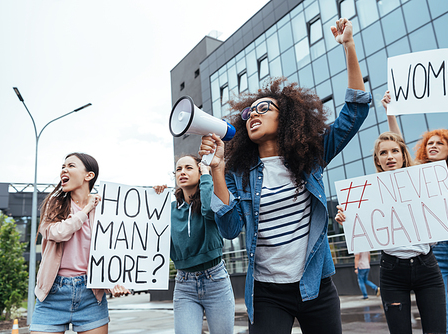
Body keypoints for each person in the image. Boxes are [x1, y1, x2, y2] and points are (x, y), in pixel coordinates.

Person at [200, 18, 371, 334]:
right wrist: (218, 171)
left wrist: (349, 46)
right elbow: (229, 227)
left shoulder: (310, 157)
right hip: (267, 293)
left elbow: (356, 112)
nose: (254, 114)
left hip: (316, 284)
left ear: (288, 118)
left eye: (264, 109)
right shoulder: (239, 173)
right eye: (249, 112)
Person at [382, 75, 448, 334]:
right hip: (435, 250)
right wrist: (391, 113)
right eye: (429, 143)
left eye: (439, 143)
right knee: (438, 323)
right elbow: (397, 143)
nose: (432, 145)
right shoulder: (416, 173)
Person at [335, 132, 448, 334]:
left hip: (427, 267)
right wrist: (346, 218)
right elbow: (362, 227)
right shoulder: (367, 193)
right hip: (392, 270)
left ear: (403, 154)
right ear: (377, 159)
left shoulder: (425, 182)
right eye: (383, 153)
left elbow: (441, 212)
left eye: (395, 151)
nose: (390, 156)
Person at [30, 152, 129, 334]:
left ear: (88, 176)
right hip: (53, 294)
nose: (64, 170)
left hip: (90, 295)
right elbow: (58, 233)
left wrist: (113, 282)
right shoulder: (55, 204)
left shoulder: (105, 208)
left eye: (70, 166)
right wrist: (86, 209)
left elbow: (114, 248)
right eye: (63, 167)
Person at [153, 155, 235, 334]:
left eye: (189, 168)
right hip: (184, 284)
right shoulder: (169, 209)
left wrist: (207, 174)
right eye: (179, 169)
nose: (182, 172)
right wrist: (154, 199)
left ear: (199, 171)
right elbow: (151, 236)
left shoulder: (211, 198)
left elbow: (208, 211)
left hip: (216, 281)